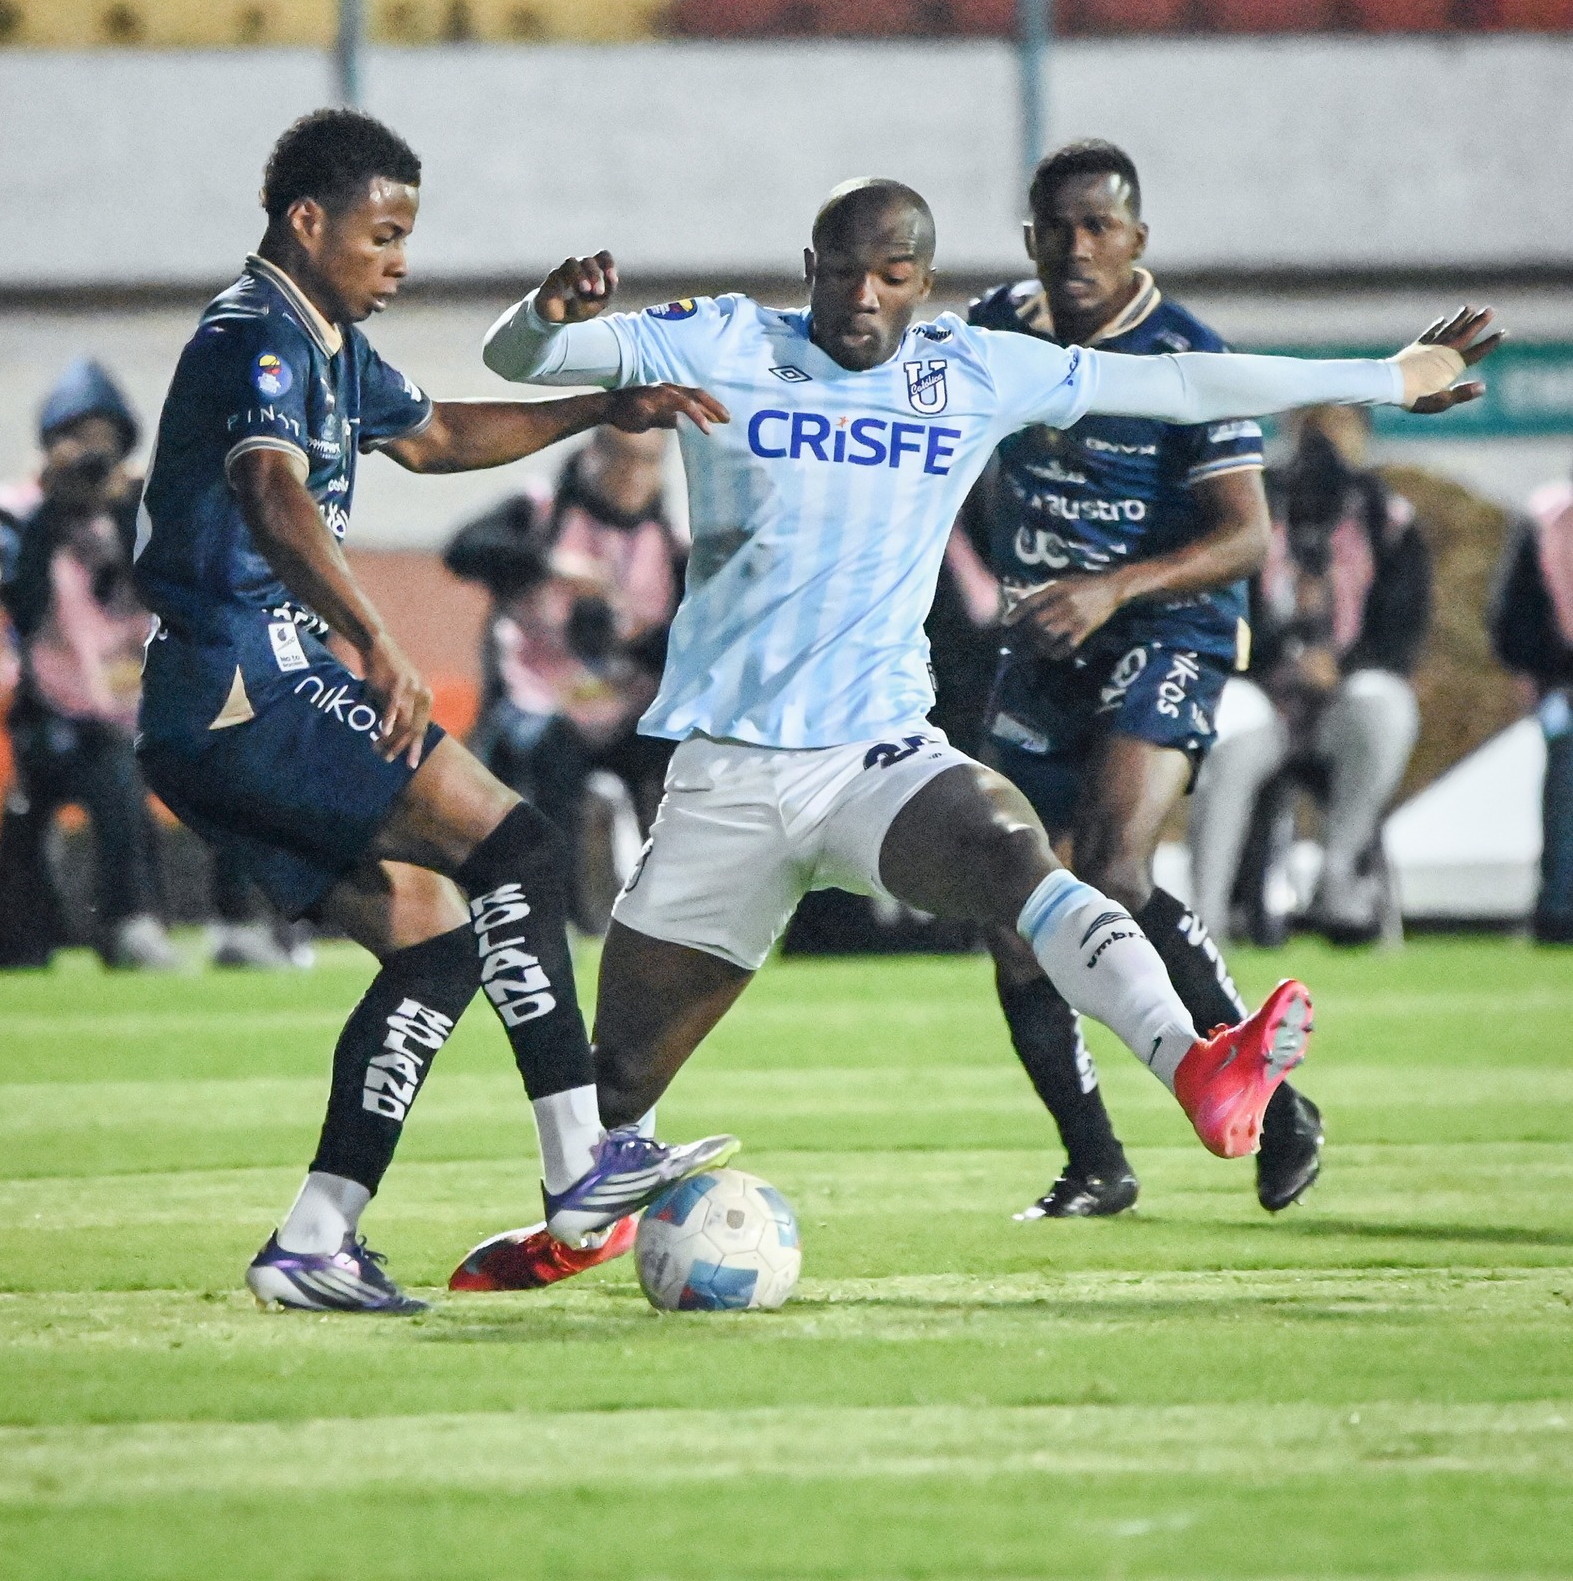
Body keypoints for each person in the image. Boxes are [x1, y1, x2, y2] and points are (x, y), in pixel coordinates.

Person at [477, 175, 1496, 1287]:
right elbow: (517, 361)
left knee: (1020, 857)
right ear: (807, 260)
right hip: (726, 775)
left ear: (925, 283)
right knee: (612, 1084)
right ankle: (584, 1226)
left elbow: (1180, 381)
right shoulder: (724, 339)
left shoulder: (968, 369)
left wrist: (1389, 378)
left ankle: (1201, 1066)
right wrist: (549, 317)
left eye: (894, 273)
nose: (864, 294)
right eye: (843, 267)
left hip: (875, 752)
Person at [132, 107, 736, 1313]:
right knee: (512, 841)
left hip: (215, 711)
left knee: (437, 944)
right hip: (249, 683)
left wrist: (593, 409)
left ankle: (315, 1238)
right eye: (383, 232)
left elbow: (445, 432)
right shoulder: (252, 335)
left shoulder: (333, 347)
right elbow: (268, 488)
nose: (399, 259)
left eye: (407, 234)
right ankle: (581, 1164)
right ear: (308, 221)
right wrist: (370, 634)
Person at [965, 139, 1324, 1220]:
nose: (1078, 246)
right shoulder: (992, 330)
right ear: (1030, 238)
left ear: (1137, 239)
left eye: (1100, 226)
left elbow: (1247, 534)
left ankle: (1274, 1099)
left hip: (1166, 628)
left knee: (1113, 867)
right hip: (1043, 640)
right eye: (1058, 227)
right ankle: (1095, 1161)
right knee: (1011, 898)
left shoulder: (1184, 356)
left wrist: (1113, 588)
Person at [1190, 402, 1431, 947]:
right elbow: (1217, 603)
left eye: (1339, 424)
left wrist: (1341, 666)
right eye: (1312, 423)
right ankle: (1204, 914)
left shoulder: (1386, 516)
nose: (1323, 439)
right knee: (1227, 728)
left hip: (1341, 698)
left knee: (1384, 704)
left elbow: (1404, 625)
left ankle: (1339, 876)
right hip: (1261, 689)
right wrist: (1277, 657)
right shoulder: (1252, 504)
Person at [444, 425, 684, 931]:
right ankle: (558, 911)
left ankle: (670, 911)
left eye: (648, 461)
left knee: (680, 761)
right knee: (546, 760)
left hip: (627, 708)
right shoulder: (541, 512)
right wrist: (549, 566)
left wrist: (632, 637)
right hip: (538, 701)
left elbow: (686, 643)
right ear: (594, 453)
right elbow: (463, 549)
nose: (633, 474)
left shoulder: (670, 541)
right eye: (622, 457)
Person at [0, 361, 177, 970]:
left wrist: (123, 511)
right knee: (41, 812)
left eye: (103, 437)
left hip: (138, 701)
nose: (91, 452)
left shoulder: (142, 504)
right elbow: (22, 601)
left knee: (136, 789)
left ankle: (138, 922)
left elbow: (168, 586)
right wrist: (52, 513)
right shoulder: (13, 508)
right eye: (76, 436)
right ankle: (26, 938)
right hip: (50, 702)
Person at [1489, 463, 1573, 944]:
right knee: (1565, 770)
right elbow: (1513, 616)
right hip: (1558, 687)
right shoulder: (1544, 521)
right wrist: (1548, 676)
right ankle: (1559, 907)